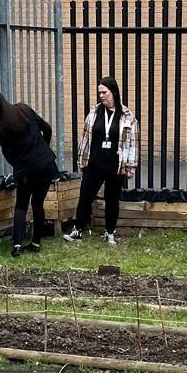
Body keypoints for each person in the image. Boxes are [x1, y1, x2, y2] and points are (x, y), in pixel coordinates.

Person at [0, 89, 56, 257]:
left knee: (21, 205)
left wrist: (21, 165)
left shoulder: (0, 129)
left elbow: (10, 157)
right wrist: (44, 148)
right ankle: (36, 243)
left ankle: (17, 246)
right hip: (46, 164)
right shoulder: (24, 109)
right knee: (38, 203)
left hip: (25, 171)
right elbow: (47, 128)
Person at [65, 77, 139, 246]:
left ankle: (110, 232)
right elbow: (85, 139)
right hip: (94, 164)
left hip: (115, 166)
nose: (101, 96)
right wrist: (82, 161)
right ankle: (77, 230)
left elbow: (133, 143)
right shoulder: (94, 113)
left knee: (112, 199)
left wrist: (130, 167)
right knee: (85, 196)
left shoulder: (126, 116)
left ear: (113, 92)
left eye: (104, 92)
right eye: (99, 93)